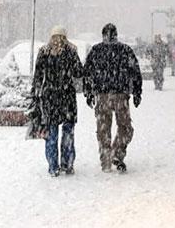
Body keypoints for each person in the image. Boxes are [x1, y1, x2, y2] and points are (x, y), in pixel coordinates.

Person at [83, 23, 142, 173]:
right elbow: (135, 71)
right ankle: (117, 153)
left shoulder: (96, 51)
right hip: (120, 95)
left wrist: (89, 92)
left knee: (103, 130)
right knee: (125, 128)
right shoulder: (124, 50)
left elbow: (87, 73)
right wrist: (137, 91)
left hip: (103, 96)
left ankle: (106, 160)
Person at [32, 25, 83, 177]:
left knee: (51, 135)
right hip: (67, 98)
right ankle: (67, 164)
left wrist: (36, 95)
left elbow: (38, 77)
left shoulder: (44, 52)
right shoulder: (70, 52)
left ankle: (53, 166)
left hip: (50, 99)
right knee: (67, 134)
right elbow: (78, 72)